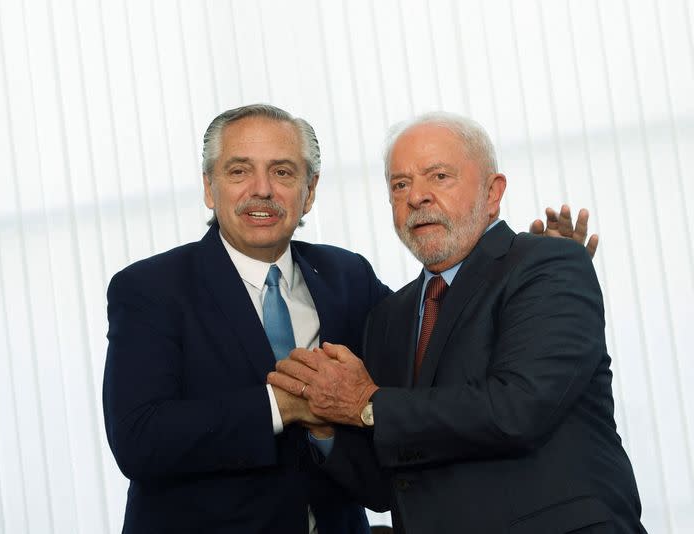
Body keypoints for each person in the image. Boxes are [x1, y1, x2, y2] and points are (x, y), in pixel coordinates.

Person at [103, 103, 595, 533]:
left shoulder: (347, 277)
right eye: (238, 172)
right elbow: (139, 439)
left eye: (282, 172)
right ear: (209, 188)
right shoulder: (150, 289)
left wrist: (532, 268)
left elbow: (441, 344)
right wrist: (282, 408)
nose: (262, 190)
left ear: (309, 192)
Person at [269, 112, 645, 533]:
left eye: (440, 176)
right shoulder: (390, 317)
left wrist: (366, 404)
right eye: (400, 184)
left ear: (493, 192)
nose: (417, 197)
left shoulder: (550, 263)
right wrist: (325, 427)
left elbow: (518, 409)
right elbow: (385, 486)